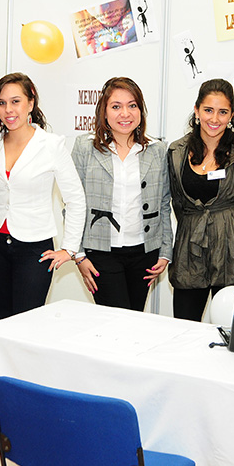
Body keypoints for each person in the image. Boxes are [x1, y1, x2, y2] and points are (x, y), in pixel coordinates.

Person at [0, 72, 85, 320]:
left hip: (34, 247)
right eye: (2, 103)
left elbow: (75, 199)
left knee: (27, 323)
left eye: (15, 101)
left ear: (31, 102)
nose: (8, 109)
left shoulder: (51, 145)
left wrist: (69, 248)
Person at [71, 77, 172, 311]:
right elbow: (74, 204)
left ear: (141, 111)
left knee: (134, 318)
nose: (125, 113)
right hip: (101, 252)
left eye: (132, 105)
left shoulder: (156, 149)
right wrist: (78, 254)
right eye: (116, 106)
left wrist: (165, 252)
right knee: (116, 320)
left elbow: (164, 203)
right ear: (104, 112)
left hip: (144, 253)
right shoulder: (85, 147)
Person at [168, 78, 234, 321]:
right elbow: (178, 203)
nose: (214, 119)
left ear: (232, 115)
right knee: (185, 326)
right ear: (197, 110)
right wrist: (196, 224)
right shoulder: (176, 152)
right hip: (190, 250)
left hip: (233, 249)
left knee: (232, 328)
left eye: (223, 112)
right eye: (208, 110)